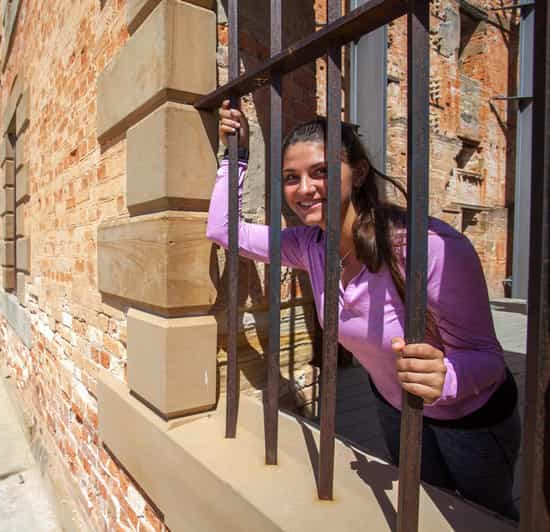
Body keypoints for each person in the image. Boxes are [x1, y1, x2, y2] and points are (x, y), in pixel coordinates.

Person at [206, 100, 520, 520]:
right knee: (422, 510)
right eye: (290, 178)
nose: (304, 189)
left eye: (321, 171)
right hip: (397, 408)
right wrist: (237, 155)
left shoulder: (431, 249)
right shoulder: (310, 246)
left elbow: (490, 362)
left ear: (359, 173)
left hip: (471, 419)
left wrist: (445, 377)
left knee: (483, 518)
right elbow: (223, 230)